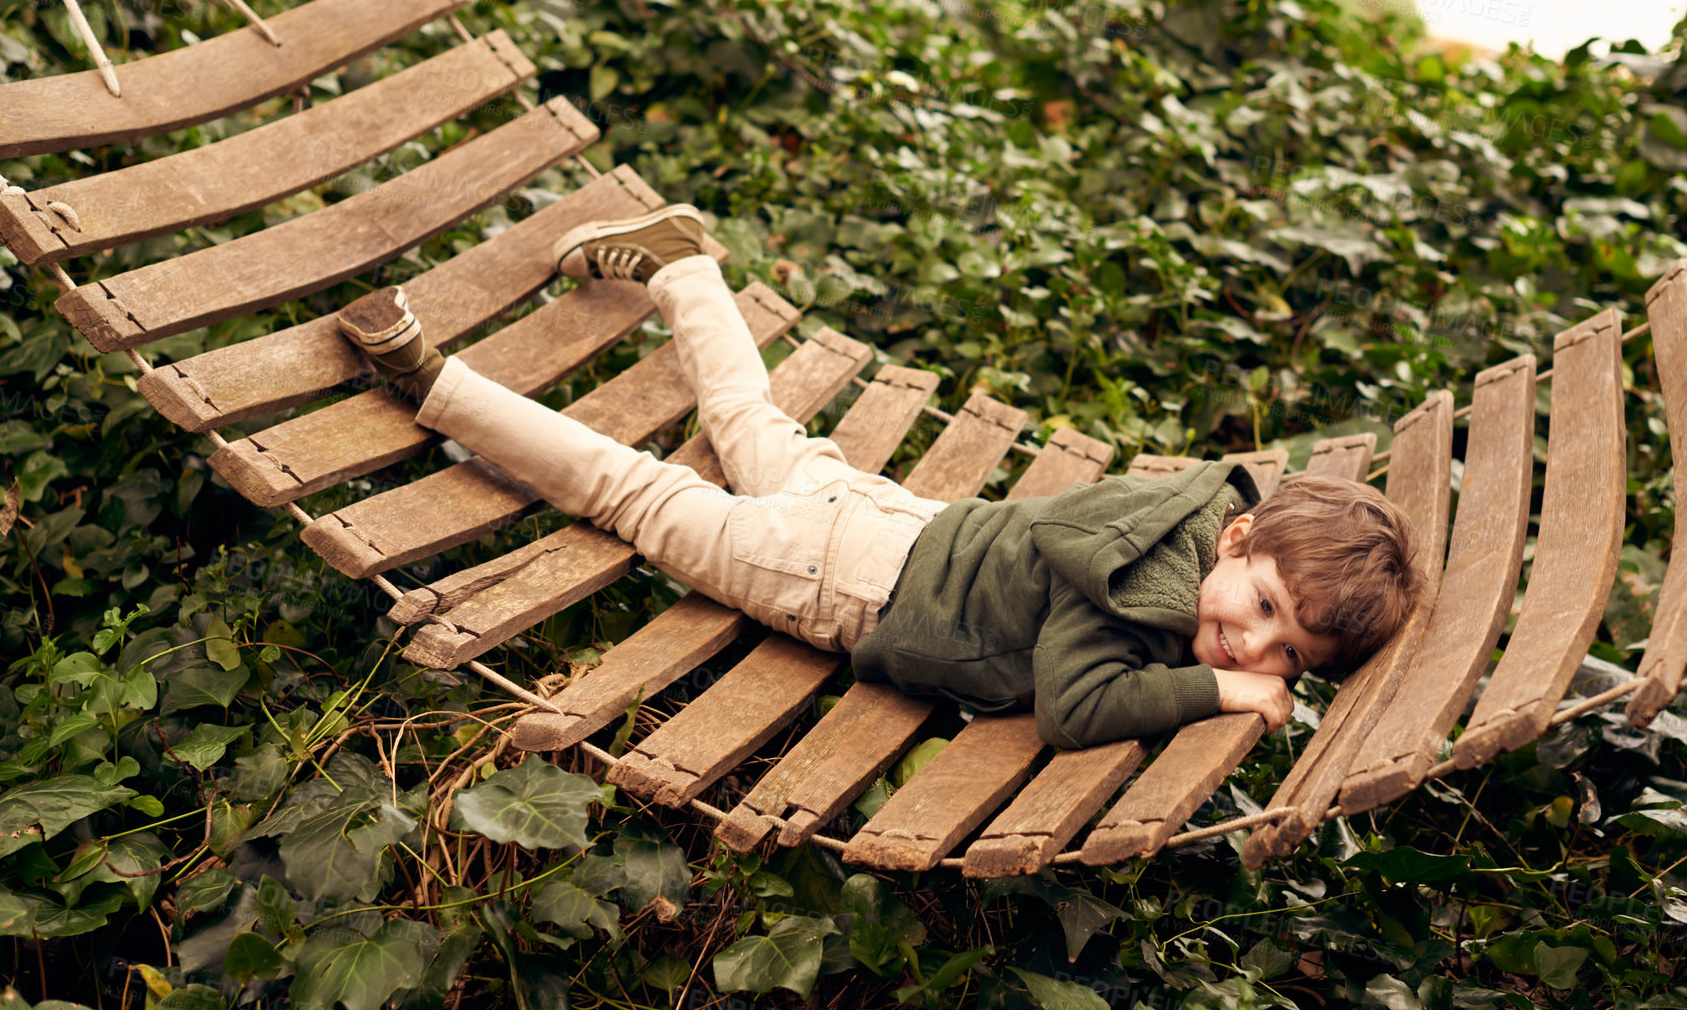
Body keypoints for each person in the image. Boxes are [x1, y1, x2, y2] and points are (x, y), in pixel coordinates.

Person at [336, 206, 1421, 749]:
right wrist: (1218, 689)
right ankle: (435, 382)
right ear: (1238, 546)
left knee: (750, 421)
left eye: (1290, 655)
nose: (1256, 647)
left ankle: (682, 263)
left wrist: (1231, 654)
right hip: (846, 578)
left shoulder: (1191, 512)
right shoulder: (1137, 604)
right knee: (638, 494)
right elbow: (1077, 710)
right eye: (1267, 610)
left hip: (892, 522)